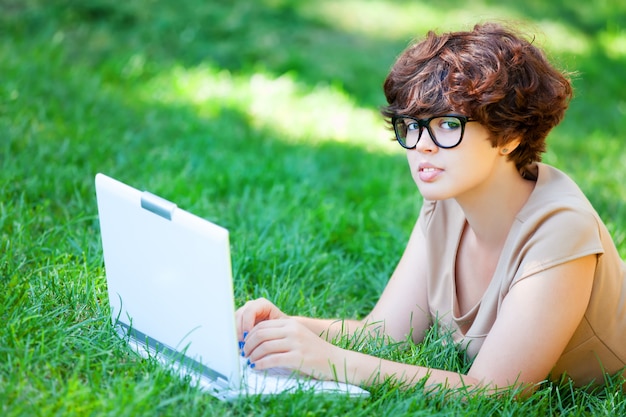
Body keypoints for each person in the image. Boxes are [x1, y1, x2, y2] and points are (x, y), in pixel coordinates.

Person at [235, 22, 626, 395]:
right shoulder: (446, 204)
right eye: (412, 125)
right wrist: (287, 328)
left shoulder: (561, 229)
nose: (422, 144)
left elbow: (496, 393)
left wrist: (332, 361)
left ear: (510, 136)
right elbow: (386, 334)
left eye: (448, 125)